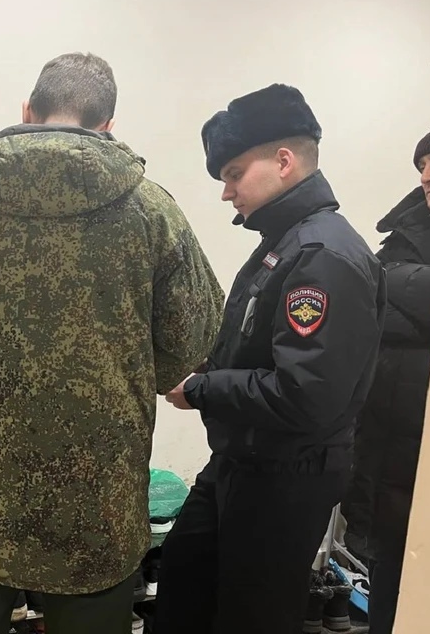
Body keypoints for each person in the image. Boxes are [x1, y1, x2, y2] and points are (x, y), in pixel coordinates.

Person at [0, 52, 224, 634]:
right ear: (107, 124)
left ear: (28, 111)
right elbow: (191, 339)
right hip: (97, 494)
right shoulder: (151, 210)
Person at [158, 84, 387, 633]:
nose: (226, 192)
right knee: (185, 586)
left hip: (284, 478)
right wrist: (207, 371)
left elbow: (305, 394)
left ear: (284, 161)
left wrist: (203, 389)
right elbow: (258, 347)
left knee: (251, 617)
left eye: (234, 174)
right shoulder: (283, 244)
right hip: (242, 462)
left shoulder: (321, 256)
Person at [343, 119, 430, 633]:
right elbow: (366, 300)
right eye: (422, 165)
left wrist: (409, 299)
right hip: (387, 453)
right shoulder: (407, 231)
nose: (426, 175)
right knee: (388, 591)